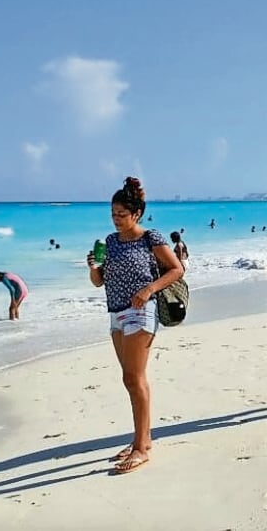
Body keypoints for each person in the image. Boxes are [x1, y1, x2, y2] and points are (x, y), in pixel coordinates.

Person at [86, 177, 184, 475]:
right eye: (113, 214)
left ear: (136, 214)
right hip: (115, 313)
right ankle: (142, 439)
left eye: (122, 215)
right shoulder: (111, 242)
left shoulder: (150, 238)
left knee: (134, 376)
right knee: (129, 379)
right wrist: (93, 267)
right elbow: (99, 282)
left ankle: (141, 448)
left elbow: (177, 269)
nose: (116, 220)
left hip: (141, 311)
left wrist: (149, 289)